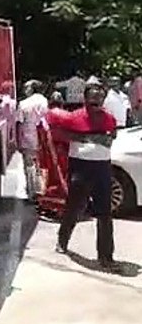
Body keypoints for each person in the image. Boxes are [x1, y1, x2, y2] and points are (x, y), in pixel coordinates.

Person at [51, 84, 119, 271]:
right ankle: (62, 240)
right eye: (93, 97)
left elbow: (113, 133)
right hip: (81, 167)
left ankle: (106, 257)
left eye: (100, 97)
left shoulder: (109, 118)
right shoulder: (74, 117)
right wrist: (88, 138)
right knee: (74, 208)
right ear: (85, 99)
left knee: (105, 214)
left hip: (102, 167)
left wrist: (108, 138)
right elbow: (58, 133)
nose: (97, 101)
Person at [17, 80, 49, 201]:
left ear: (32, 89)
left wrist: (18, 141)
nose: (25, 90)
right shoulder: (44, 101)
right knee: (41, 164)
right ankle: (41, 190)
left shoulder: (24, 103)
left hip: (27, 136)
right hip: (42, 136)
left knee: (29, 165)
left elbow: (19, 122)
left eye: (27, 87)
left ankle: (31, 192)